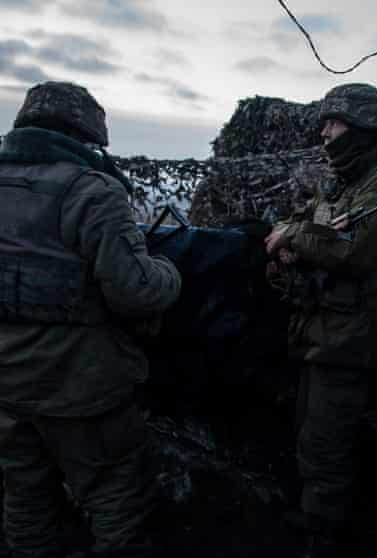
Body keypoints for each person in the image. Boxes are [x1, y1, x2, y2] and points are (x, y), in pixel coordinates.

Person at [0, 82, 181, 557]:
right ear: (86, 134)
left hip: (7, 390)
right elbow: (136, 292)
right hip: (81, 388)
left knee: (25, 505)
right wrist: (169, 272)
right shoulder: (91, 190)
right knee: (117, 501)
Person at [264, 83, 377, 558]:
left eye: (333, 123)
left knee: (325, 455)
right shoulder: (336, 187)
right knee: (308, 440)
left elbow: (351, 252)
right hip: (317, 336)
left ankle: (322, 540)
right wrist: (294, 246)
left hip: (348, 345)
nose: (325, 133)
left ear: (360, 128)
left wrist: (295, 235)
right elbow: (307, 240)